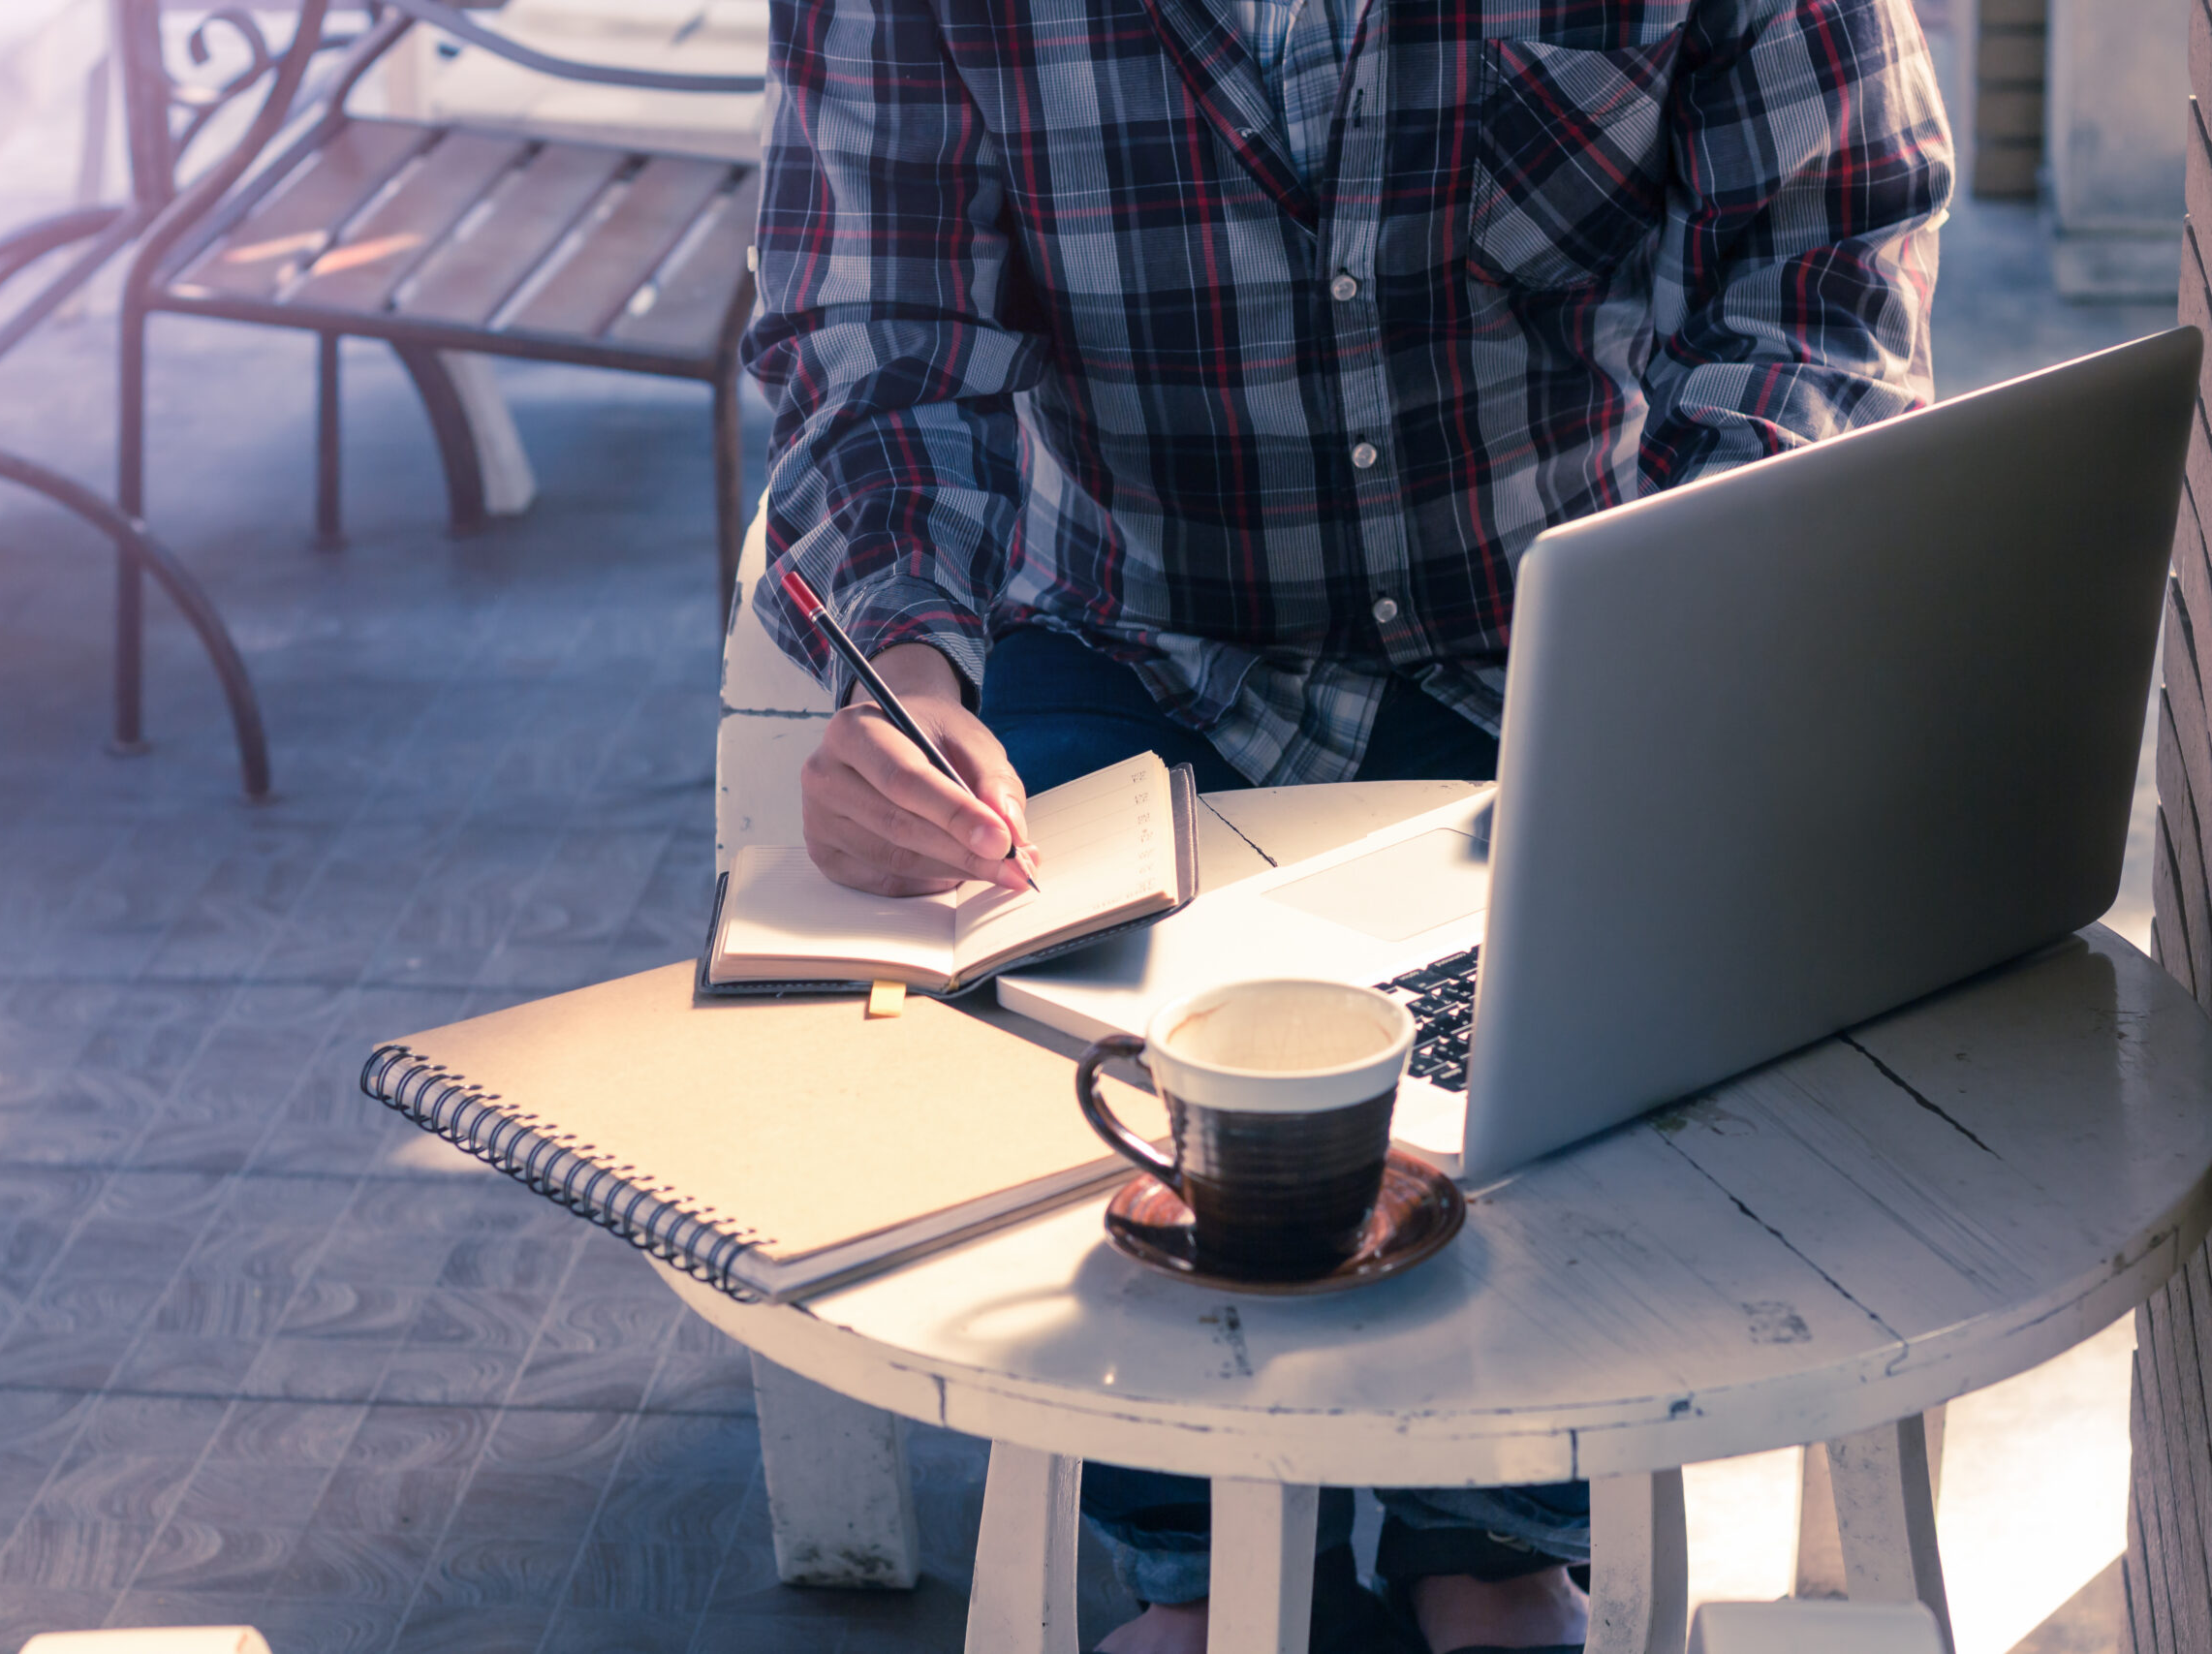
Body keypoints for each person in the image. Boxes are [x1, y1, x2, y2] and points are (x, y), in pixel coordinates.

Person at [739, 0, 1952, 1644]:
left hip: (1559, 618)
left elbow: (1825, 253)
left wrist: (1705, 613)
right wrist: (903, 672)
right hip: (1132, 626)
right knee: (1067, 1038)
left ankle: (1499, 1537)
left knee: (1582, 1031)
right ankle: (1191, 1558)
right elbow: (874, 328)